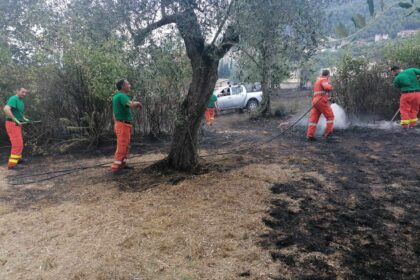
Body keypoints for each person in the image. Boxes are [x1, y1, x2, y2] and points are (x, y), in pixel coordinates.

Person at [111, 79, 142, 173]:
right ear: (122, 86)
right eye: (128, 84)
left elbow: (114, 113)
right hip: (122, 124)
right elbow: (131, 105)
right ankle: (116, 168)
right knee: (122, 145)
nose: (130, 85)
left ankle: (122, 165)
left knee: (125, 145)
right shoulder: (121, 96)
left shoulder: (117, 96)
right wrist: (138, 103)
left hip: (121, 124)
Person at [3, 87, 30, 169]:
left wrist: (25, 119)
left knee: (20, 143)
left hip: (17, 124)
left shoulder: (20, 101)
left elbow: (19, 113)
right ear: (17, 91)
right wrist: (14, 119)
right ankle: (12, 165)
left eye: (25, 92)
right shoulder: (13, 98)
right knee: (17, 144)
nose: (24, 94)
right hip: (12, 124)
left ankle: (17, 159)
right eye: (22, 92)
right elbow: (6, 109)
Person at [307, 69, 335, 142]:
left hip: (315, 101)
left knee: (313, 119)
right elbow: (327, 87)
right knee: (330, 116)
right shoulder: (324, 79)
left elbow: (320, 93)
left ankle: (310, 136)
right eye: (329, 76)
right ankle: (329, 134)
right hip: (320, 101)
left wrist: (328, 99)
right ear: (328, 75)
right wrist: (331, 86)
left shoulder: (318, 81)